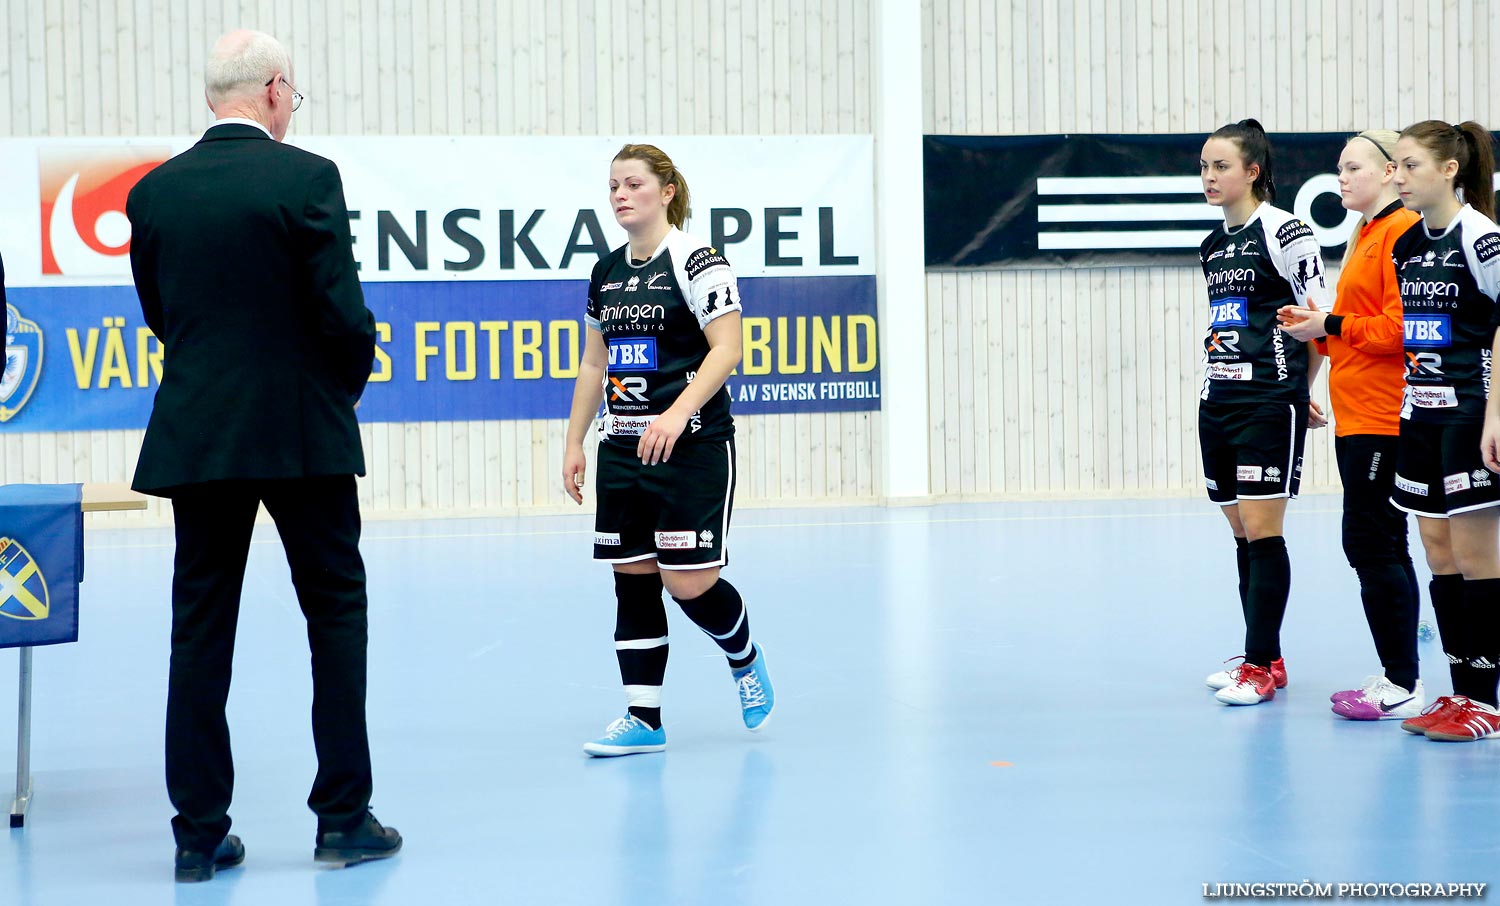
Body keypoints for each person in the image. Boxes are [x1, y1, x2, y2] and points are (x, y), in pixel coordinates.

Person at [125, 29, 400, 881]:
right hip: (302, 433)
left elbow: (161, 313)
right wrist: (333, 392)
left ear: (218, 97)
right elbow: (345, 318)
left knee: (199, 631)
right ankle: (342, 819)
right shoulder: (306, 178)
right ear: (276, 91)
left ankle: (197, 836)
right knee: (336, 617)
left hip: (200, 433)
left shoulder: (155, 194)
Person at [562, 143, 775, 756]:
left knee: (688, 582)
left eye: (633, 183)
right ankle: (644, 718)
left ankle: (743, 654)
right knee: (632, 578)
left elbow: (727, 349)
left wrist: (677, 414)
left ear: (666, 191)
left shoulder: (696, 259)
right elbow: (593, 361)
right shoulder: (606, 272)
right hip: (624, 451)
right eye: (613, 186)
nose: (620, 195)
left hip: (692, 446)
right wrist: (577, 440)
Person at [1277, 131, 1425, 720]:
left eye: (1353, 167)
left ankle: (1400, 680)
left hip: (1385, 416)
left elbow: (1400, 330)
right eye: (1338, 169)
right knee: (1379, 540)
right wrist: (1323, 327)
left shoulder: (1397, 233)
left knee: (1371, 540)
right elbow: (1360, 328)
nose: (1341, 178)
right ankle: (1400, 672)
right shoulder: (1368, 233)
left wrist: (1329, 325)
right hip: (1358, 412)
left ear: (1390, 172)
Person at [1196, 119, 1329, 706]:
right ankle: (1263, 653)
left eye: (1220, 165)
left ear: (1252, 171)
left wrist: (1304, 391)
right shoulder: (1212, 244)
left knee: (1263, 530)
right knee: (1241, 531)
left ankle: (1258, 664)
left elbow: (1316, 319)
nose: (1208, 176)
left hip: (1268, 401)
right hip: (1218, 399)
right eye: (1203, 166)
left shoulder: (1285, 231)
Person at [1381, 121, 1500, 742]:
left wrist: (1497, 416)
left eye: (1408, 166)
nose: (1397, 177)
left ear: (1449, 170)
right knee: (1438, 553)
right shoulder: (1406, 244)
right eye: (1395, 167)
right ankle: (1459, 695)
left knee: (1478, 557)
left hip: (1469, 414)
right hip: (1419, 415)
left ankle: (1487, 700)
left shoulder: (1481, 238)